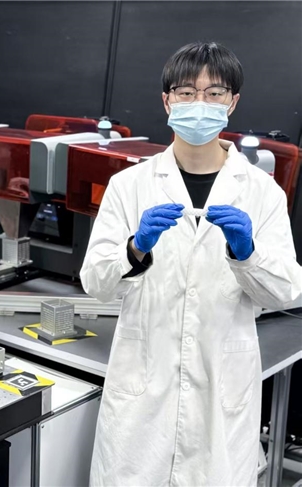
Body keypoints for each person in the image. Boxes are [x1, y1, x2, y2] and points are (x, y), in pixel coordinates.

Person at [81, 42, 302, 486]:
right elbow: (95, 283)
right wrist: (135, 248)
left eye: (214, 93)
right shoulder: (129, 185)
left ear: (232, 103)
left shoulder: (262, 192)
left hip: (221, 391)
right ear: (167, 101)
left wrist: (248, 254)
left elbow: (287, 292)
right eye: (186, 92)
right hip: (142, 393)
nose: (200, 103)